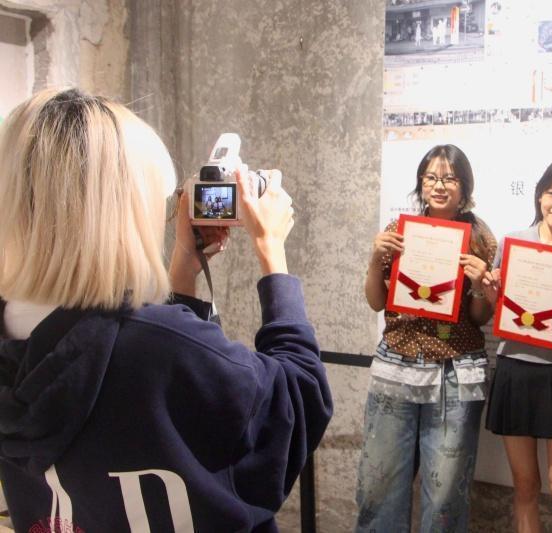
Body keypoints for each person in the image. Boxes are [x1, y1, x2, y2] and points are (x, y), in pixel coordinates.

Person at [0, 88, 333, 532]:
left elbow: (150, 399)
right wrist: (272, 252)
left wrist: (184, 268)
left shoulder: (16, 342)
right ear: (122, 210)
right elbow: (298, 402)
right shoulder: (157, 345)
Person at [356, 144, 496, 533]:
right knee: (379, 482)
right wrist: (375, 259)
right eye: (431, 177)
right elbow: (376, 302)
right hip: (397, 364)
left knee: (447, 492)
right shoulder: (399, 232)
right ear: (421, 183)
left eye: (449, 178)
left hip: (456, 371)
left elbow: (480, 317)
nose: (439, 185)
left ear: (464, 187)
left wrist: (480, 286)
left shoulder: (480, 238)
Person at [482, 155, 552, 533]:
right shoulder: (513, 242)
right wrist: (490, 293)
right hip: (514, 368)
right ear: (539, 194)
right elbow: (496, 312)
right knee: (525, 485)